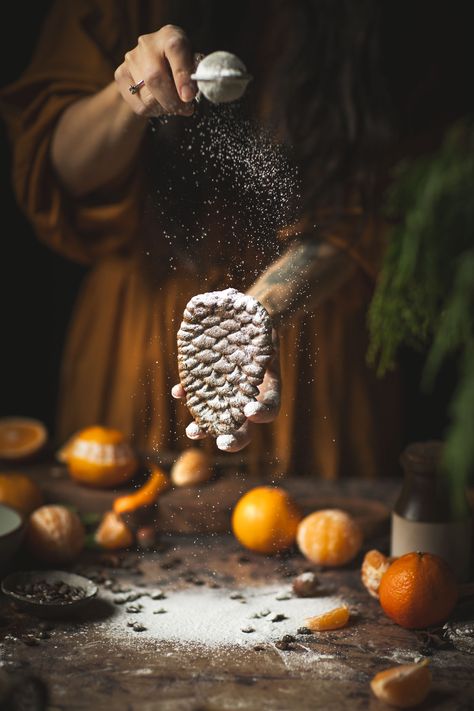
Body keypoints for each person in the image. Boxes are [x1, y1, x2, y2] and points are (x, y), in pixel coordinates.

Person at [0, 0, 409, 479]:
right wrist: (128, 96)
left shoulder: (381, 20)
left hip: (315, 329)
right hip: (138, 325)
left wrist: (255, 314)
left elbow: (379, 218)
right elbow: (59, 172)